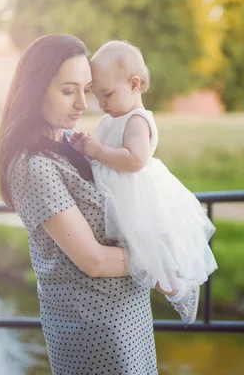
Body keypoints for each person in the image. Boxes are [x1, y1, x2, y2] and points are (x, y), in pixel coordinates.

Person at [0, 34, 159, 374]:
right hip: (94, 332)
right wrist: (161, 257)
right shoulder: (33, 166)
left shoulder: (72, 142)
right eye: (69, 91)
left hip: (128, 315)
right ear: (35, 90)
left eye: (87, 89)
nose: (84, 104)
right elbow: (94, 261)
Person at [69, 40, 218, 324]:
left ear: (134, 84)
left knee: (148, 251)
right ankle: (170, 286)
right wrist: (86, 146)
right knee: (133, 249)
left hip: (134, 195)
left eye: (107, 94)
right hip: (115, 192)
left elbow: (134, 160)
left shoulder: (137, 120)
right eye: (97, 96)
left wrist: (97, 151)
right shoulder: (112, 118)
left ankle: (179, 290)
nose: (101, 103)